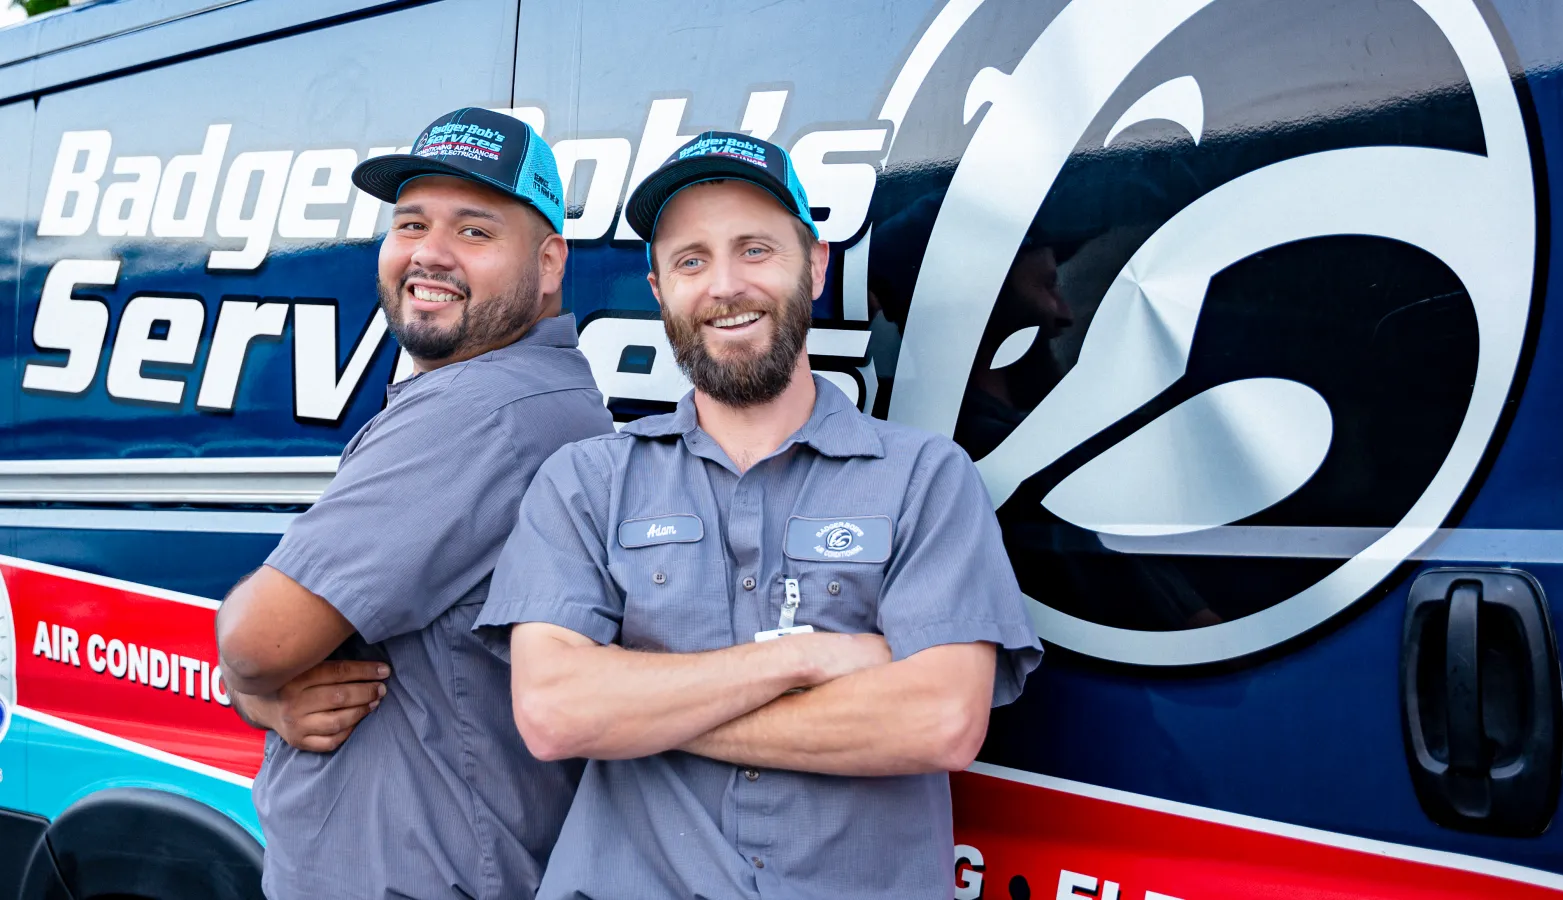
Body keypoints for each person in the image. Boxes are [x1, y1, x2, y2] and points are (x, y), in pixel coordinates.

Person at [476, 131, 1043, 899]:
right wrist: (803, 661)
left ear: (814, 266)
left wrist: (641, 712)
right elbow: (554, 713)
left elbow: (940, 721)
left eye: (755, 250)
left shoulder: (925, 480)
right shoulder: (588, 481)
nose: (724, 286)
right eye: (691, 260)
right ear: (659, 289)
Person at [214, 107, 614, 900]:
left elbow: (259, 640)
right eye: (411, 223)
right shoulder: (537, 396)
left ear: (548, 264)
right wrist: (258, 684)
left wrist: (253, 687)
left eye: (474, 231)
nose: (429, 253)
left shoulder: (477, 412)